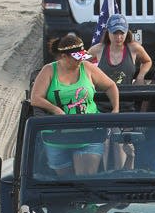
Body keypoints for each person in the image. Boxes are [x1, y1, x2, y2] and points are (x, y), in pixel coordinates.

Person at [30, 35, 119, 174]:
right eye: (76, 58)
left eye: (82, 57)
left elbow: (110, 86)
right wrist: (55, 109)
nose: (80, 62)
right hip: (57, 137)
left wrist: (115, 109)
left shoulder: (87, 68)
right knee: (66, 183)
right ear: (63, 56)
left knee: (85, 180)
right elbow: (35, 98)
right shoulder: (48, 70)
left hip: (89, 134)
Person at [87, 13, 152, 89]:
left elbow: (147, 61)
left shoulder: (134, 48)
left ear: (127, 32)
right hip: (103, 98)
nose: (118, 37)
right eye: (115, 33)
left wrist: (140, 77)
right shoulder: (97, 49)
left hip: (127, 98)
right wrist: (89, 80)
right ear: (108, 32)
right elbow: (80, 65)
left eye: (122, 33)